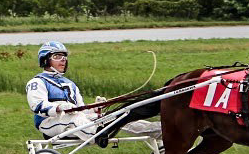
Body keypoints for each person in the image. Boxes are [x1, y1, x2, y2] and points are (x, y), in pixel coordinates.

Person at [26, 40, 159, 141]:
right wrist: (60, 107)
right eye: (57, 56)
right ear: (45, 60)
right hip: (49, 122)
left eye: (64, 57)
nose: (63, 60)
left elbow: (81, 109)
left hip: (75, 120)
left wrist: (95, 109)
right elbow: (37, 106)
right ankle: (98, 135)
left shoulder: (70, 84)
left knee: (116, 116)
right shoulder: (37, 82)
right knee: (75, 118)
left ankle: (159, 131)